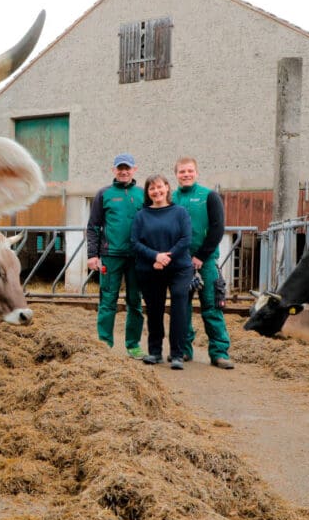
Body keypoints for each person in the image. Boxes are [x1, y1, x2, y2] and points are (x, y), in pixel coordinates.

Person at [173, 157, 235, 369]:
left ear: (196, 173)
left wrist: (200, 255)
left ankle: (219, 352)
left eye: (190, 171)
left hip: (206, 262)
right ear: (176, 175)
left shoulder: (209, 196)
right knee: (182, 308)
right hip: (180, 264)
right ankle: (183, 350)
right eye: (182, 171)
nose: (186, 174)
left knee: (211, 306)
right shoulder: (171, 199)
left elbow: (218, 228)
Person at [130, 174, 193, 370]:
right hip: (151, 268)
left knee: (179, 307)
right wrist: (155, 257)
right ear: (148, 193)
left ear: (167, 188)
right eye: (151, 189)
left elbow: (186, 239)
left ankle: (177, 354)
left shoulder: (180, 212)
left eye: (159, 187)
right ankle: (155, 352)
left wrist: (167, 257)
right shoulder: (142, 215)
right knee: (154, 309)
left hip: (179, 268)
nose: (156, 191)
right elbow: (135, 242)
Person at [86, 153, 144, 358]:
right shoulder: (104, 194)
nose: (123, 171)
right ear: (113, 171)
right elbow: (93, 226)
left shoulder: (142, 194)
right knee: (108, 300)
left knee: (135, 301)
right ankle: (104, 344)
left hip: (137, 256)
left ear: (134, 169)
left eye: (127, 168)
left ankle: (133, 344)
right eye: (120, 168)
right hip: (111, 255)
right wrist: (92, 255)